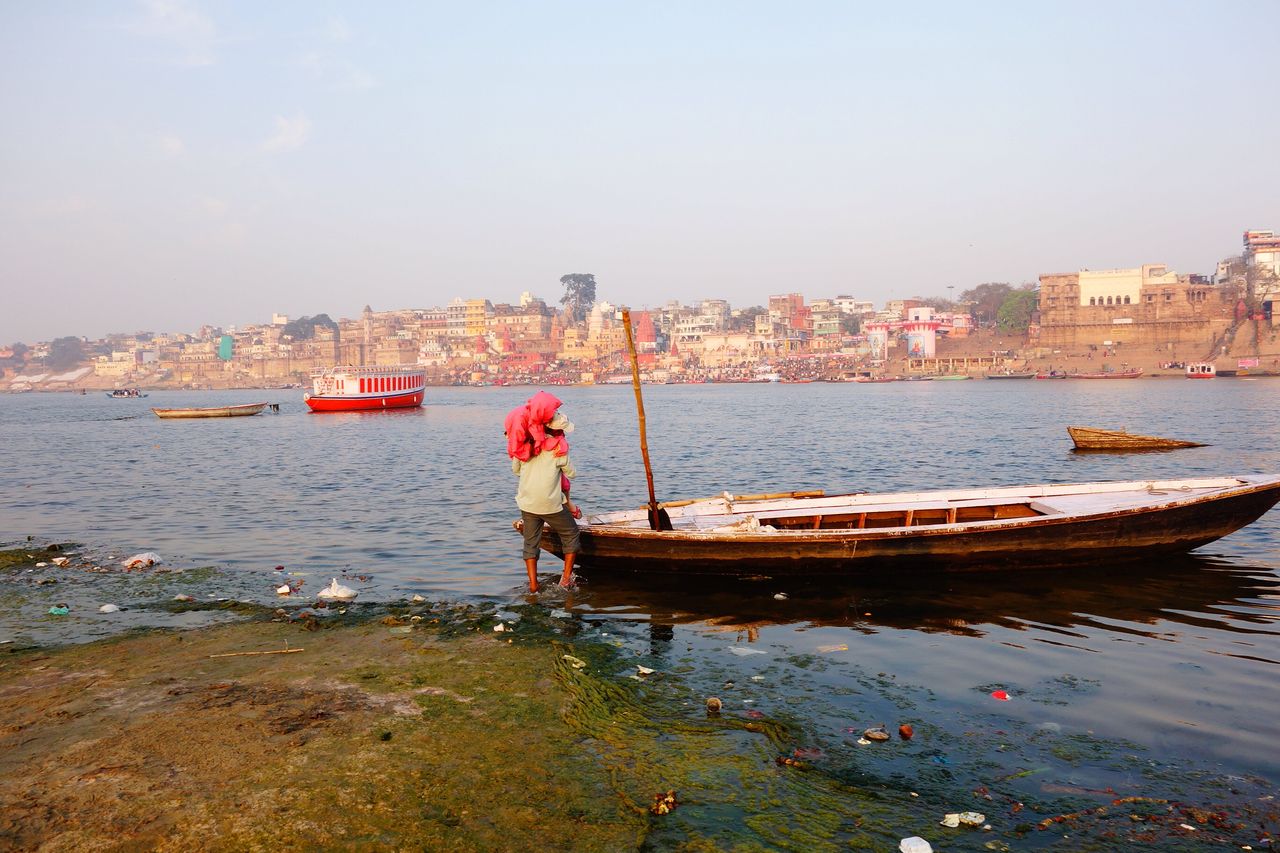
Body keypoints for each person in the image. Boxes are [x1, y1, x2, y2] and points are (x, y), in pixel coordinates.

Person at [507, 399, 579, 592]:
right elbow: (572, 473)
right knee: (571, 534)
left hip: (527, 503)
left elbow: (516, 470)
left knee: (530, 544)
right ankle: (565, 580)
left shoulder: (524, 447)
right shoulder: (558, 450)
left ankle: (533, 586)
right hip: (550, 504)